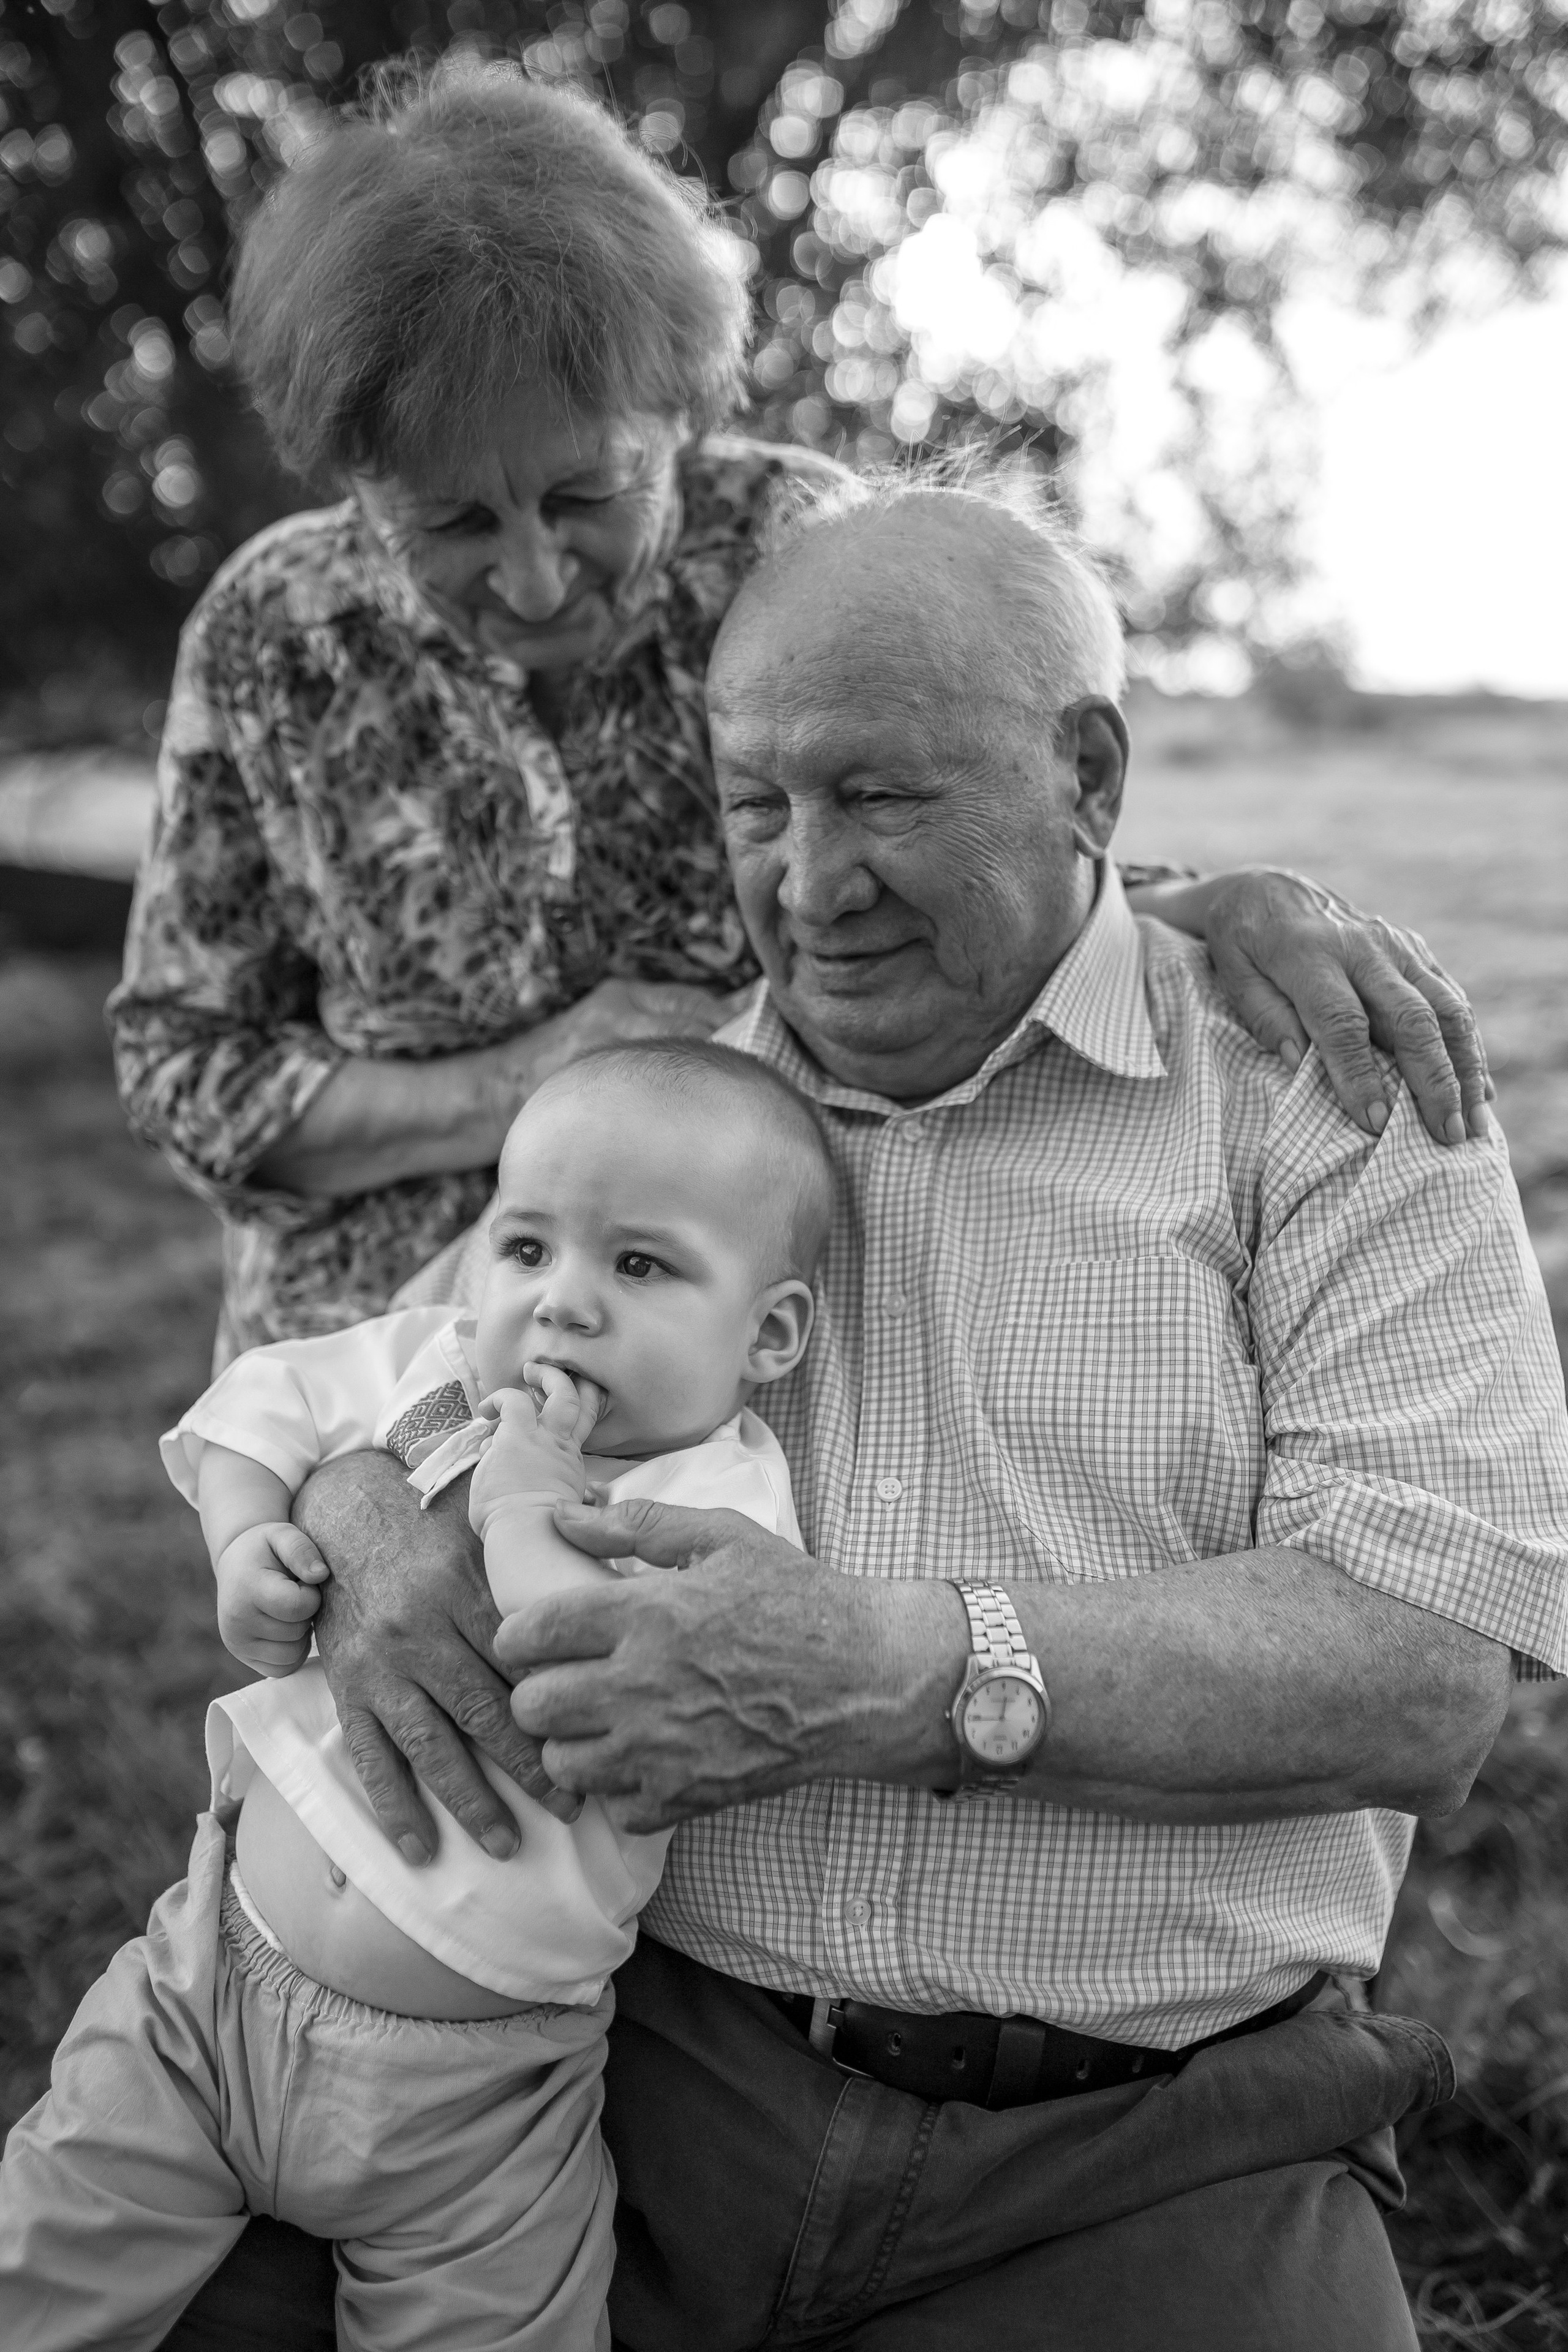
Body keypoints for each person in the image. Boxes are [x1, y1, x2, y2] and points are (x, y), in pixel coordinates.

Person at [173, 475, 1568, 2351]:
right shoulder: (663, 1106)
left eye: (884, 796)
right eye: (759, 804)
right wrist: (354, 1524)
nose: (807, 885)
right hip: (602, 2083)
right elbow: (400, 1388)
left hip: (1150, 2148)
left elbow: (1423, 1680)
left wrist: (901, 1671)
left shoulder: (1325, 1082)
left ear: (1090, 774)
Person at [105, 54, 1492, 1370]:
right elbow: (184, 1069)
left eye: (587, 496)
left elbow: (971, 847)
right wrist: (544, 1073)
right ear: (354, 481)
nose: (530, 579)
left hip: (718, 1375)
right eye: (453, 522)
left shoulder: (799, 552)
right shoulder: (267, 634)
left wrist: (1217, 903)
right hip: (351, 1379)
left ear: (679, 413)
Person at [0, 1042, 831, 2352]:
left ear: (767, 1331)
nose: (560, 1306)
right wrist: (241, 1542)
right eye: (524, 1250)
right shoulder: (432, 1364)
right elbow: (260, 1398)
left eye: (638, 1266)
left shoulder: (721, 1507)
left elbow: (579, 1662)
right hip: (207, 1990)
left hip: (479, 2102)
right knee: (36, 2271)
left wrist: (524, 1489)